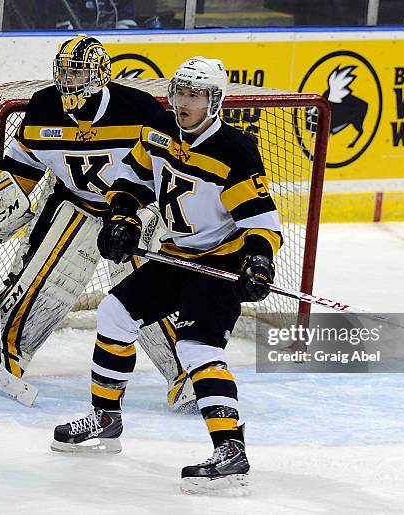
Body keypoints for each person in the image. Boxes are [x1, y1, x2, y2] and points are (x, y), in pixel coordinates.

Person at [52, 56, 282, 494]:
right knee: (114, 315)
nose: (184, 103)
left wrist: (257, 262)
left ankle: (231, 450)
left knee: (197, 350)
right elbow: (131, 182)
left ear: (214, 101)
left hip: (220, 263)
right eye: (180, 93)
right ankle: (106, 419)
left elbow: (262, 224)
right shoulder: (157, 130)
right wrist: (123, 219)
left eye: (195, 95)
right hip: (175, 255)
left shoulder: (233, 151)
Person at [0, 34, 194, 412]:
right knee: (42, 284)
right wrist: (1, 202)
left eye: (78, 71)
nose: (70, 79)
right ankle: (5, 354)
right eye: (65, 71)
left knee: (146, 289)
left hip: (133, 209)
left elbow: (169, 167)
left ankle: (187, 374)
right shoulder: (44, 106)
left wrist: (143, 214)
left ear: (100, 73)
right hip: (74, 203)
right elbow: (24, 164)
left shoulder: (138, 108)